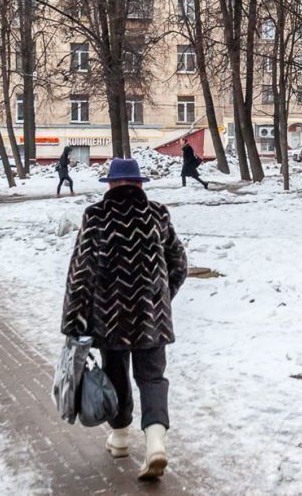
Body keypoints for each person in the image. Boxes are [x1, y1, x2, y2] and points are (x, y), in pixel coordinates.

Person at [61, 157, 188, 480]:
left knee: (115, 375)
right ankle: (156, 441)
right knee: (153, 378)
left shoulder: (96, 216)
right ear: (139, 184)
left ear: (112, 184)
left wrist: (74, 322)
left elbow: (80, 273)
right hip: (151, 318)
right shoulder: (157, 214)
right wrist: (161, 297)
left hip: (109, 319)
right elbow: (179, 263)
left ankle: (119, 438)